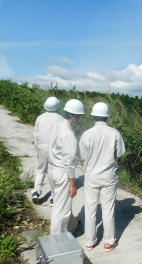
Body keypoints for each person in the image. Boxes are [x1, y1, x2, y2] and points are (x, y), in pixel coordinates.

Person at [79, 102, 126, 252]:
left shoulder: (87, 133)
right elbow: (120, 153)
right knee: (108, 209)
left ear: (93, 116)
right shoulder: (114, 133)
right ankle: (109, 242)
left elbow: (81, 155)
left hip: (92, 175)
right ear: (107, 117)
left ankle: (89, 242)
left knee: (90, 208)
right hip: (109, 176)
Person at [48, 98, 84, 235]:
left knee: (61, 203)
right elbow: (69, 162)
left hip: (52, 169)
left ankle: (72, 225)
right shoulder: (68, 134)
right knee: (61, 209)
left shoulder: (57, 125)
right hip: (62, 172)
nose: (80, 119)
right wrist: (72, 184)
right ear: (75, 116)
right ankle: (56, 240)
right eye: (80, 116)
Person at [31, 97, 64, 206]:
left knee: (41, 170)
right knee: (53, 172)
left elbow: (36, 135)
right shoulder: (60, 118)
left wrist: (37, 150)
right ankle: (53, 198)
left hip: (42, 148)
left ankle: (36, 191)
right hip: (55, 149)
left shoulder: (40, 118)